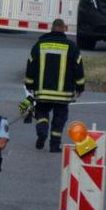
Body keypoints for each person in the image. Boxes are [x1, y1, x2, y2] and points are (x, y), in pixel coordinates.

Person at [24, 18, 85, 153]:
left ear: (51, 28)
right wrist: (80, 86)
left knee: (41, 112)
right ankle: (54, 145)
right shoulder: (72, 47)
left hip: (42, 92)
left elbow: (31, 66)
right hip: (63, 94)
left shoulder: (39, 45)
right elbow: (78, 67)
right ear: (65, 28)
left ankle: (42, 128)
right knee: (60, 118)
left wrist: (29, 84)